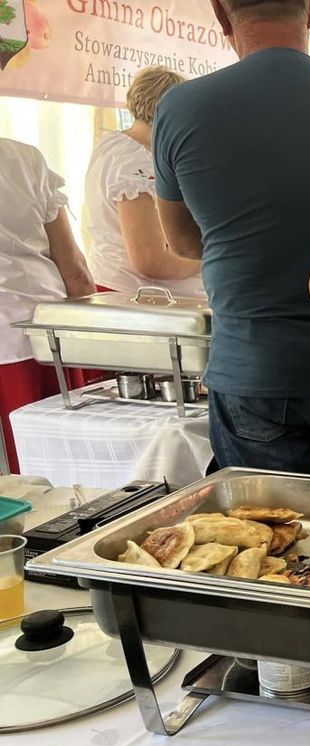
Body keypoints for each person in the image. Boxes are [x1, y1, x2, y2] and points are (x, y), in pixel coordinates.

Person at [152, 0, 310, 477]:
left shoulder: (181, 108)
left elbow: (182, 241)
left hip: (253, 370)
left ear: (222, 16)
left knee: (268, 540)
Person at [0, 138, 96, 473]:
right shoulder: (25, 159)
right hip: (43, 330)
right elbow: (75, 270)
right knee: (61, 463)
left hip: (23, 338)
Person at [84, 66, 203, 297]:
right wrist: (212, 256)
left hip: (128, 292)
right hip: (138, 299)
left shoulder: (115, 145)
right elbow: (152, 260)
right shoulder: (134, 164)